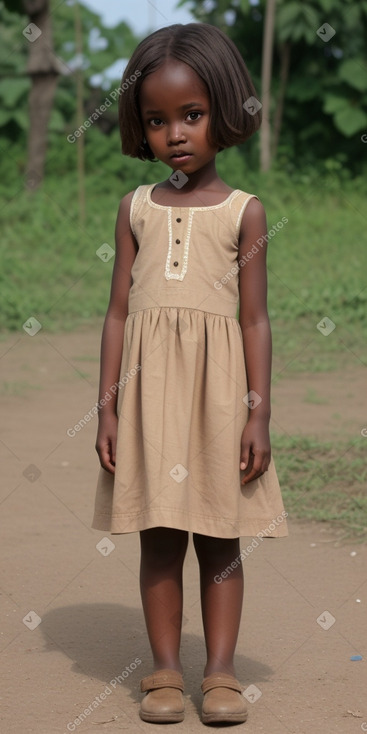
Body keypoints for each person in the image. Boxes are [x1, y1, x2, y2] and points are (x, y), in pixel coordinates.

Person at [92, 22, 288, 726]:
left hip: (217, 405)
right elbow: (118, 313)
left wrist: (257, 411)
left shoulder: (244, 214)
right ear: (139, 128)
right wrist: (108, 408)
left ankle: (222, 673)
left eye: (192, 115)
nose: (175, 133)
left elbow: (254, 321)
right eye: (156, 120)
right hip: (148, 403)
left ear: (224, 111)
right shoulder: (136, 209)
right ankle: (166, 670)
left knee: (220, 539)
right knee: (158, 536)